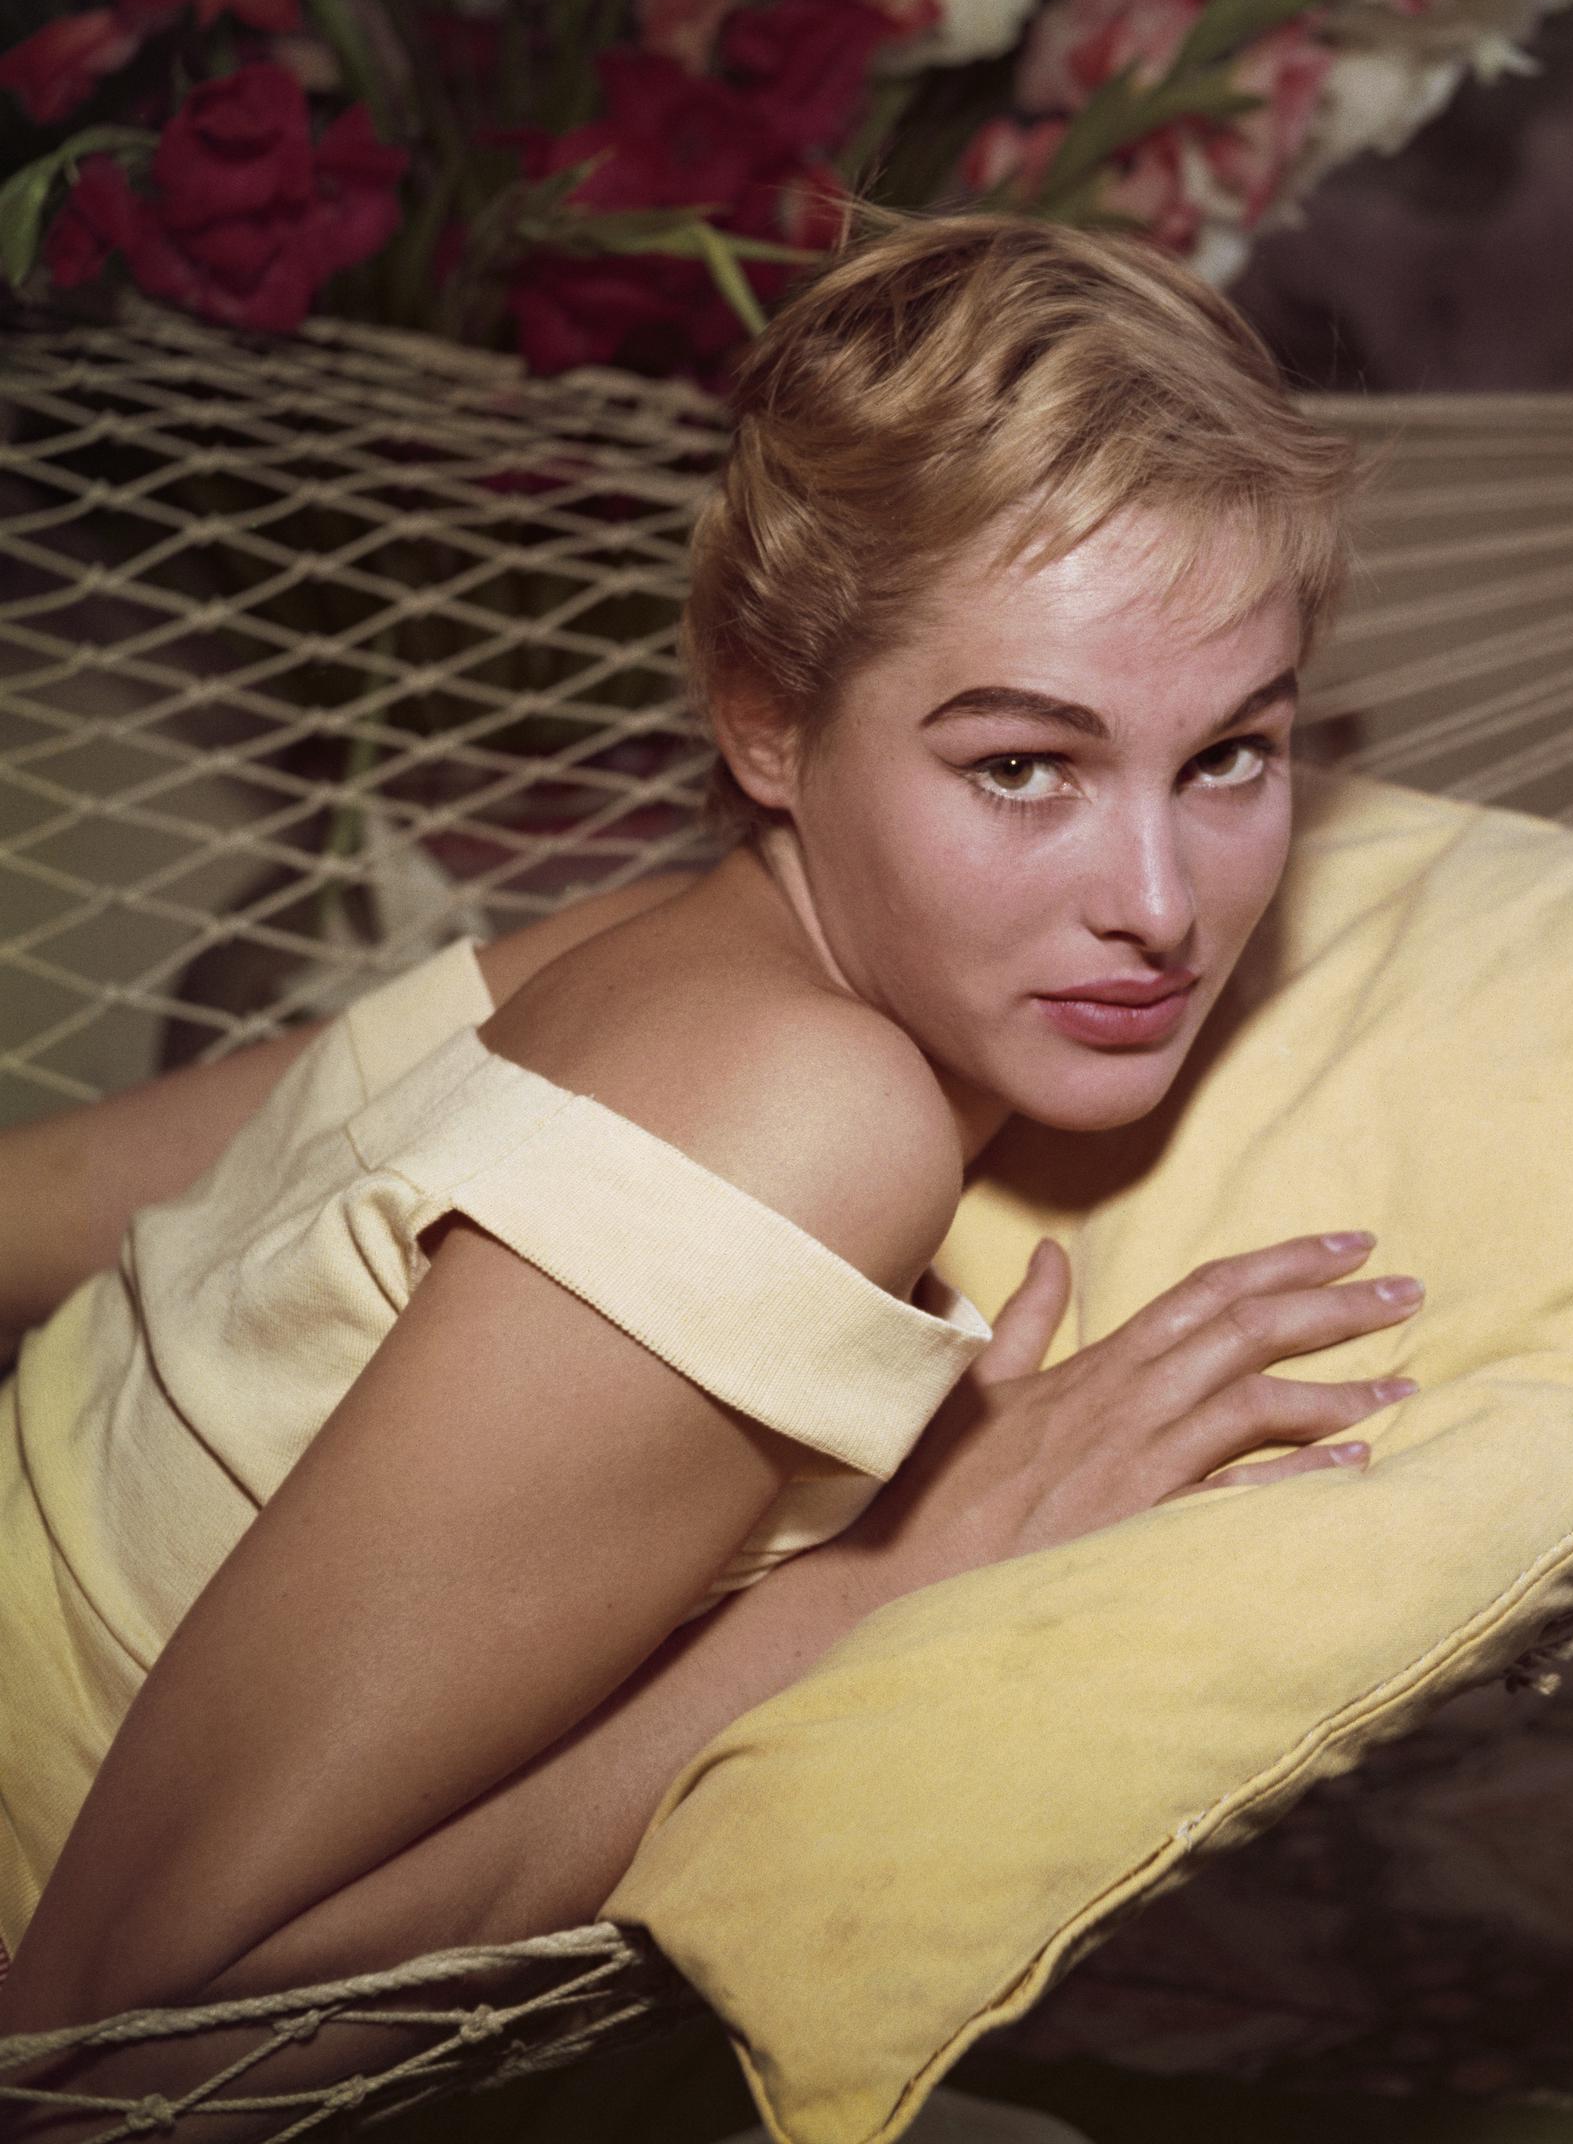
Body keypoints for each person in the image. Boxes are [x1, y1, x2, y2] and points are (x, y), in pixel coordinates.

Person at [0, 214, 1426, 2078]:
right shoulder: (805, 1113)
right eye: (1023, 765)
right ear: (765, 715)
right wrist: (902, 1577)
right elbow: (112, 2048)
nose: (1160, 903)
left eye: (1230, 755)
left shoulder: (623, 950)